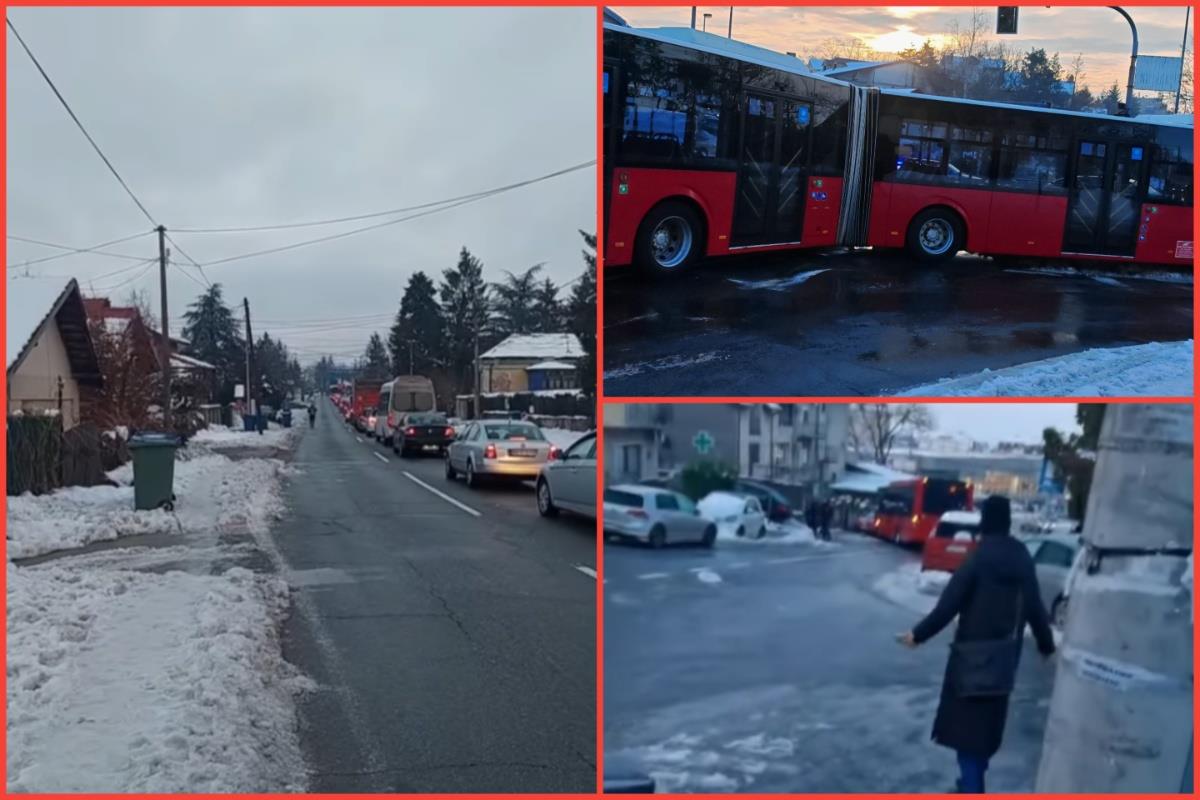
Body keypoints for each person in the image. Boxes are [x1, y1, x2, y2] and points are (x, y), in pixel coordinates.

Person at [896, 495, 1055, 793]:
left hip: (971, 660)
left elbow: (948, 605)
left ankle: (971, 787)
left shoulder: (979, 557)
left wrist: (917, 635)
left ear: (986, 523)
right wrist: (1046, 645)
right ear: (1007, 523)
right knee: (985, 730)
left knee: (967, 732)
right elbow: (1035, 607)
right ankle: (970, 782)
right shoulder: (1022, 557)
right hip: (1006, 659)